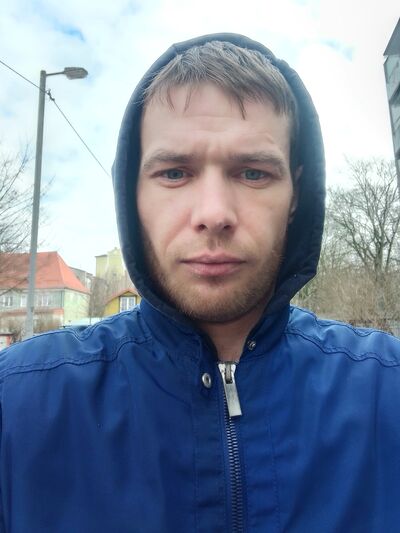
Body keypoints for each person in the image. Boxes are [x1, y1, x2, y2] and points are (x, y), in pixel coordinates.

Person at [1, 33, 399, 533]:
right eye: (174, 173)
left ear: (296, 193)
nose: (213, 213)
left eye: (253, 173)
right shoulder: (17, 405)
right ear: (132, 194)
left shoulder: (386, 391)